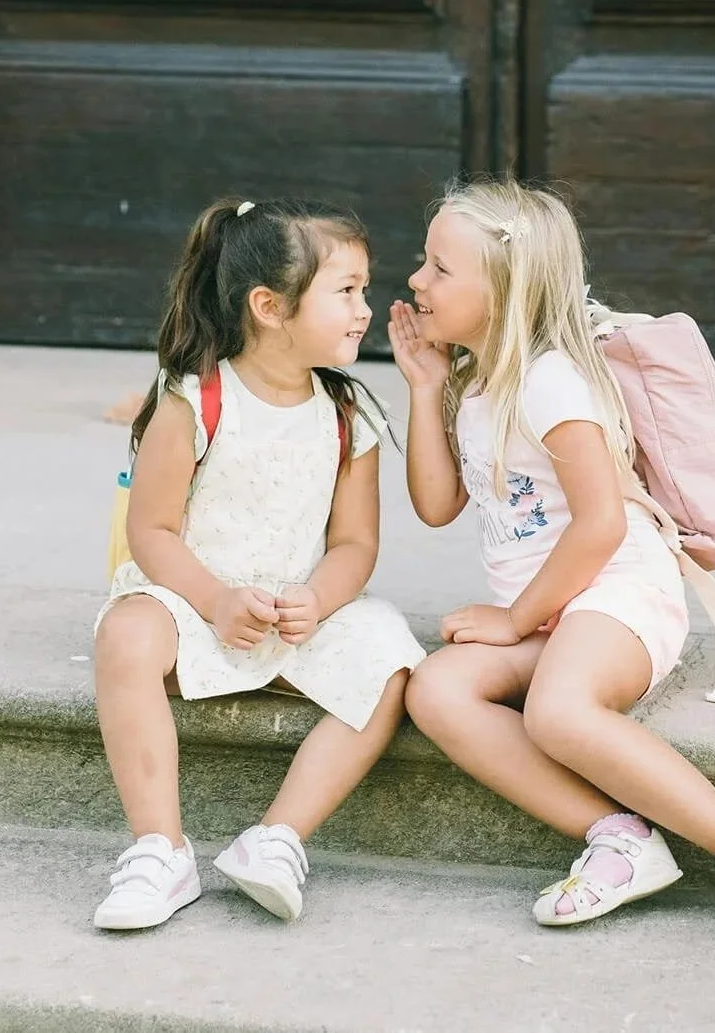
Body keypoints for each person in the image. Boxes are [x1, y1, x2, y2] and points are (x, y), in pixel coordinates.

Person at [390, 178, 715, 935]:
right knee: (436, 689)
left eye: (439, 268)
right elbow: (435, 505)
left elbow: (600, 527)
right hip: (556, 611)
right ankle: (621, 839)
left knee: (557, 711)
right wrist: (425, 389)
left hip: (616, 593)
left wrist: (514, 617)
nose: (417, 281)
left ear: (506, 290)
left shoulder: (551, 383)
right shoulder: (473, 382)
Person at [92, 196, 423, 930]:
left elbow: (356, 545)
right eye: (346, 291)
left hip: (297, 614)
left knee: (393, 660)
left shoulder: (349, 413)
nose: (365, 309)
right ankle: (160, 851)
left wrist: (320, 597)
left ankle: (276, 838)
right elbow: (151, 529)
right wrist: (212, 600)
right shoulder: (196, 399)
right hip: (195, 603)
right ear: (270, 306)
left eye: (363, 289)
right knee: (126, 634)